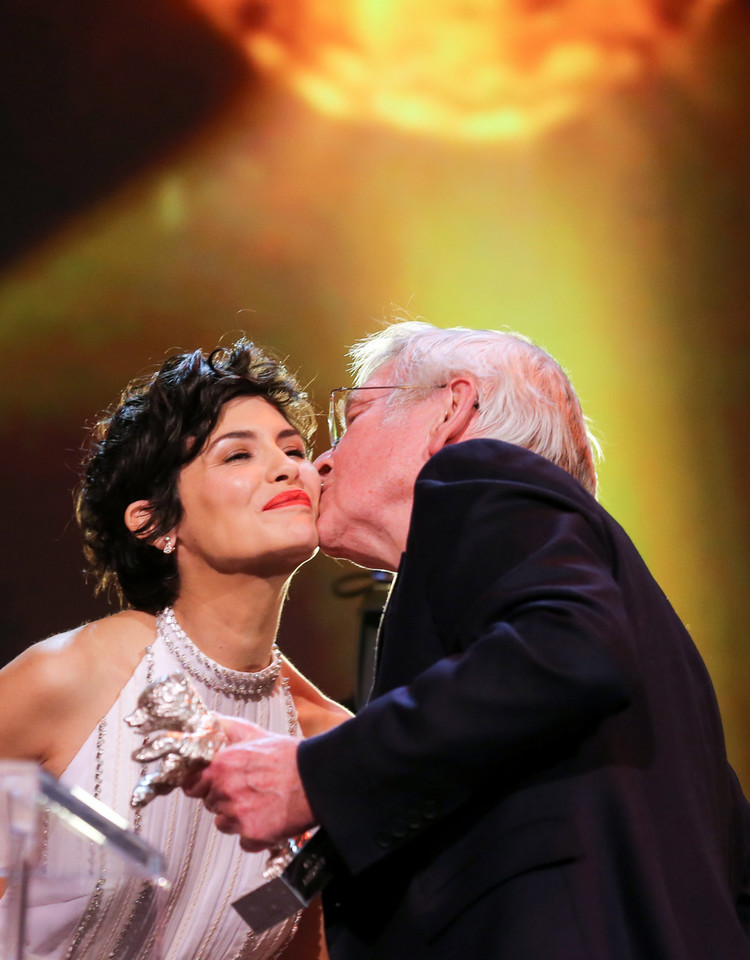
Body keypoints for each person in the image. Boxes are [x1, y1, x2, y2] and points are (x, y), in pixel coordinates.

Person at [184, 319, 750, 959]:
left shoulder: (478, 473)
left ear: (450, 411)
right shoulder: (654, 670)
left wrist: (315, 775)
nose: (321, 461)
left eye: (354, 417)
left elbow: (568, 650)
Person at [0, 337, 349, 959]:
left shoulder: (328, 745)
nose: (287, 466)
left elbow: (299, 940)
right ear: (156, 522)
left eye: (294, 448)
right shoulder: (76, 677)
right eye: (237, 454)